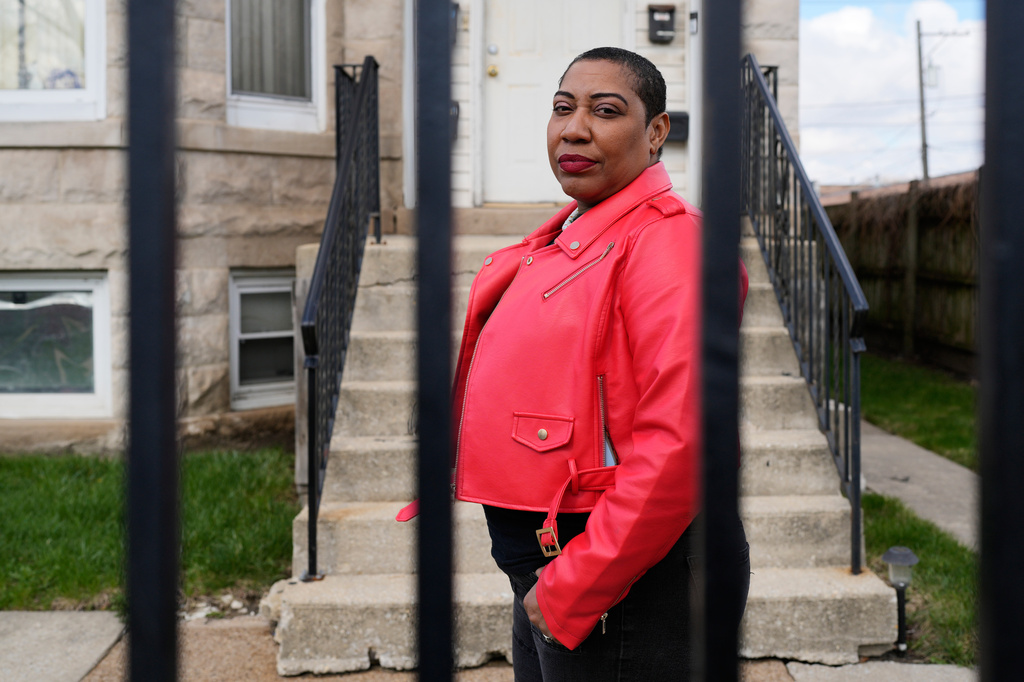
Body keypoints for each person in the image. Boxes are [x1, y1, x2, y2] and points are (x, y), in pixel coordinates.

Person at [402, 46, 750, 680]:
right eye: (562, 108)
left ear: (656, 132)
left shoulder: (671, 240)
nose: (574, 128)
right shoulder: (578, 235)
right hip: (555, 563)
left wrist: (574, 587)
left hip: (621, 574)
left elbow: (682, 444)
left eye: (605, 110)